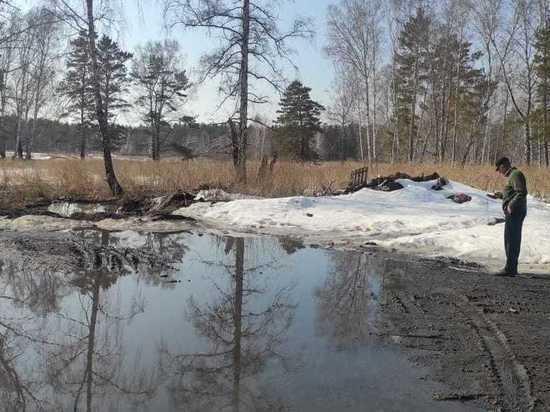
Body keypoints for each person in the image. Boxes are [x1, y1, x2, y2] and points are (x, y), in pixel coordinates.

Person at [492, 157, 528, 276]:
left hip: (515, 212)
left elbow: (522, 192)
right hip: (513, 212)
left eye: (499, 169)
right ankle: (511, 267)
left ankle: (510, 269)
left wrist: (511, 205)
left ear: (504, 166)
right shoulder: (513, 175)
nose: (499, 172)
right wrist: (501, 196)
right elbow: (514, 193)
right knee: (510, 239)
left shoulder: (516, 174)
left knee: (511, 240)